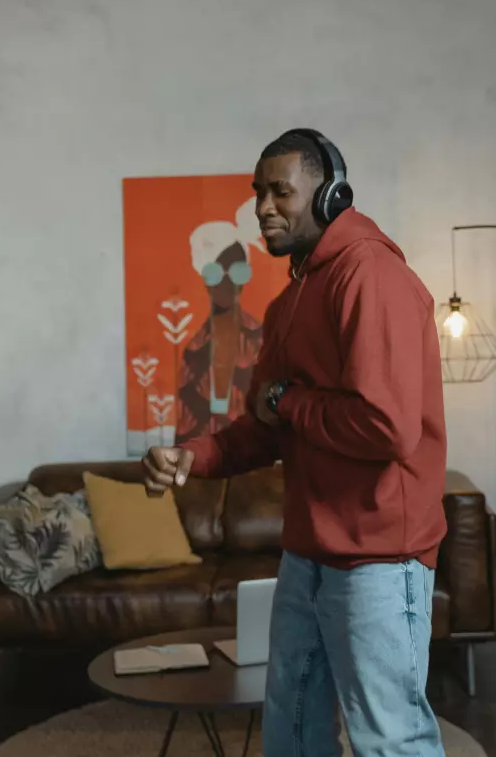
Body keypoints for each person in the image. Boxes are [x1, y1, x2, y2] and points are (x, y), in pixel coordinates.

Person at [142, 129, 448, 757]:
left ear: (331, 195)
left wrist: (289, 400)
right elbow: (266, 426)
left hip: (379, 558)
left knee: (389, 740)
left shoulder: (371, 276)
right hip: (308, 553)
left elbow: (387, 427)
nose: (263, 207)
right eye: (258, 193)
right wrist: (191, 457)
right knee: (294, 725)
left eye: (281, 191)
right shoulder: (288, 302)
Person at [174, 198, 265, 443]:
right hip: (203, 471)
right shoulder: (193, 352)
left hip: (257, 470)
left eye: (237, 271)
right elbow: (184, 435)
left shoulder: (264, 341)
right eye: (215, 273)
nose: (227, 282)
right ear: (203, 278)